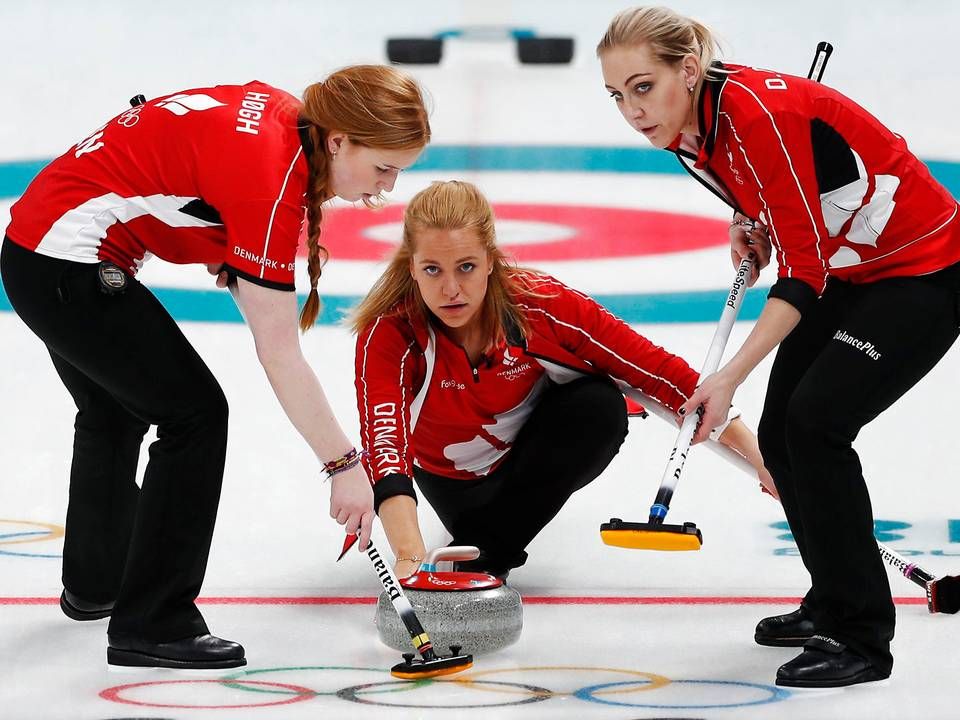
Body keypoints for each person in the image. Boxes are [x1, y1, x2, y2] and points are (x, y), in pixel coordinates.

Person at [0, 65, 430, 669]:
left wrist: (223, 243)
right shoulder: (271, 185)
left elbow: (182, 170)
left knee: (115, 407)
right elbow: (279, 352)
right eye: (384, 167)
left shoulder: (284, 118)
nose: (385, 188)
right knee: (195, 415)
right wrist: (342, 465)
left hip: (37, 245)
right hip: (65, 261)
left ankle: (97, 583)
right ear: (338, 141)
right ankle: (154, 621)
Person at [597, 7, 960, 688]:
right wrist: (749, 216)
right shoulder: (688, 130)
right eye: (618, 95)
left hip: (924, 273)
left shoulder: (757, 114)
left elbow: (803, 274)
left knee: (815, 425)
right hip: (851, 271)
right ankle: (832, 597)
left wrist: (729, 374)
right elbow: (786, 205)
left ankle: (861, 638)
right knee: (785, 434)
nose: (632, 111)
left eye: (643, 87)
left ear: (687, 69)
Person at [350, 179, 774, 582]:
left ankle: (486, 554)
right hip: (454, 484)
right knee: (467, 517)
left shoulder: (539, 305)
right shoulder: (389, 333)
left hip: (530, 465)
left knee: (598, 408)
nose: (451, 289)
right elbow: (386, 450)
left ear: (491, 261)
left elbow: (657, 372)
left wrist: (766, 462)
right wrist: (410, 558)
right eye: (432, 270)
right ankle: (484, 544)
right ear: (412, 268)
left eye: (466, 267)